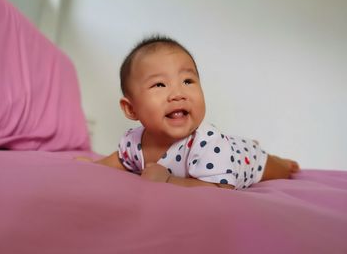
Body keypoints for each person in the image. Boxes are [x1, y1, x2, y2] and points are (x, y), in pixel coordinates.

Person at [80, 35, 300, 189]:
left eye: (187, 80)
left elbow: (218, 188)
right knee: (232, 145)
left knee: (277, 169)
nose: (178, 93)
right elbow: (120, 160)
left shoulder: (206, 144)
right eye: (159, 85)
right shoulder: (133, 141)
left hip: (245, 160)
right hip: (226, 149)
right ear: (131, 109)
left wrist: (168, 181)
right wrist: (94, 167)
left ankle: (275, 158)